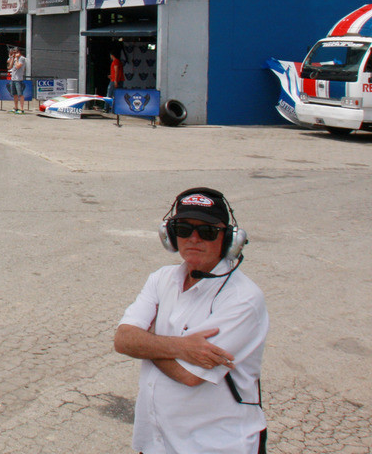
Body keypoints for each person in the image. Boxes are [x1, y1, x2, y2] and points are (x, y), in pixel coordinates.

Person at [114, 188, 268, 454]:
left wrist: (146, 342)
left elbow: (189, 375)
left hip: (215, 445)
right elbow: (123, 340)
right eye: (183, 228)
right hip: (156, 442)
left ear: (229, 239)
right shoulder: (161, 278)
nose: (193, 238)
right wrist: (182, 347)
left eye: (207, 231)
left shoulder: (243, 299)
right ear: (171, 236)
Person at [8, 47, 27, 113]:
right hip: (13, 78)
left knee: (20, 94)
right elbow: (10, 67)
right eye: (14, 52)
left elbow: (18, 66)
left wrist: (16, 59)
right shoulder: (15, 59)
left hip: (18, 79)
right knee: (14, 94)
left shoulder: (22, 58)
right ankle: (16, 107)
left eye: (15, 52)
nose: (14, 53)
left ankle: (22, 109)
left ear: (19, 52)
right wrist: (12, 58)